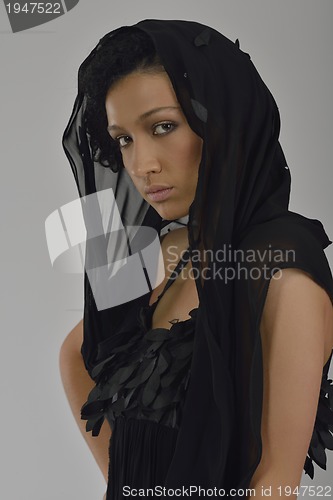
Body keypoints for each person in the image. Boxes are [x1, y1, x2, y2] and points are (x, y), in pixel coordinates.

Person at [59, 20, 333, 500]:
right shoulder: (167, 253)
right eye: (123, 139)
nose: (142, 164)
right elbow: (78, 351)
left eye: (163, 127)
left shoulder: (283, 277)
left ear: (224, 124)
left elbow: (274, 486)